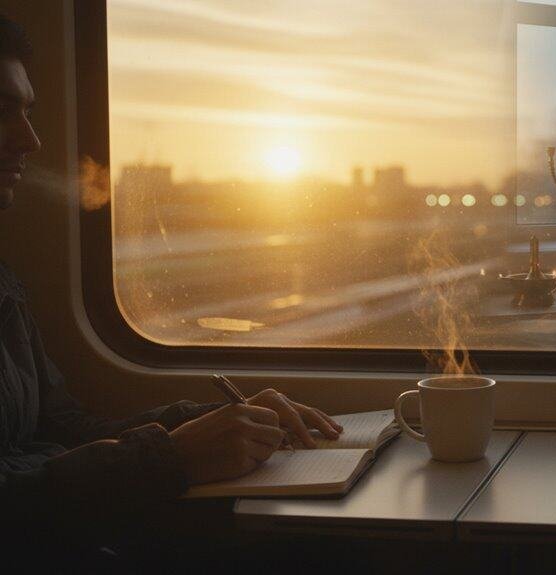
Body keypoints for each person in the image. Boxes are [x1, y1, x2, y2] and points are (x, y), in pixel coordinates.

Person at [0, 15, 343, 567]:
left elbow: (62, 427)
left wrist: (210, 421)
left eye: (27, 111)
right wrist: (168, 458)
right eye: (2, 110)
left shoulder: (4, 282)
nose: (30, 139)